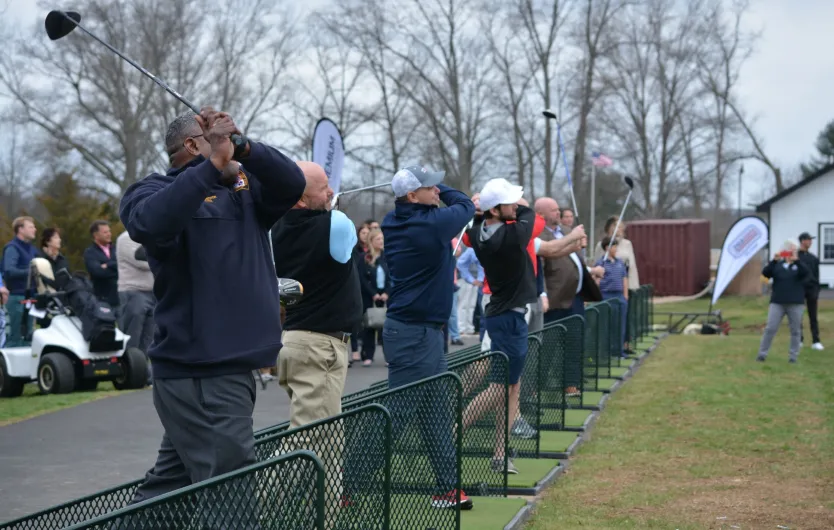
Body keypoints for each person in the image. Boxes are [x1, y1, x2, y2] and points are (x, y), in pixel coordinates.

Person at [119, 107, 305, 508]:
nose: (229, 151)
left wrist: (244, 146)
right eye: (215, 141)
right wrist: (212, 166)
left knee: (169, 495)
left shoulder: (244, 191)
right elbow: (150, 223)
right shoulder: (150, 191)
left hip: (226, 371)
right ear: (191, 145)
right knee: (231, 498)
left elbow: (292, 184)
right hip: (201, 373)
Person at [463, 179, 585, 474]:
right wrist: (504, 207)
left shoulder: (479, 232)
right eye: (510, 203)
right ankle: (455, 432)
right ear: (497, 209)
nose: (516, 206)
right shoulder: (511, 233)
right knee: (501, 387)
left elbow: (471, 233)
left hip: (507, 314)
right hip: (506, 318)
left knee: (510, 387)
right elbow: (533, 216)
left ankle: (501, 454)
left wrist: (480, 211)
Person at [381, 164, 475, 510]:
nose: (437, 191)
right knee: (397, 415)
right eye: (430, 187)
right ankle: (348, 483)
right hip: (412, 333)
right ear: (411, 196)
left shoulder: (400, 219)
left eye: (437, 187)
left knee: (436, 411)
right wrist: (449, 189)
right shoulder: (426, 224)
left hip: (423, 332)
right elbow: (465, 206)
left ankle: (447, 488)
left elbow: (456, 206)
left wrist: (431, 185)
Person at [272, 160, 362, 426]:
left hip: (297, 341)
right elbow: (349, 238)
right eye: (323, 188)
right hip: (318, 346)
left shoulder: (275, 229)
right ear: (300, 199)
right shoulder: (336, 224)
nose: (331, 192)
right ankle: (264, 472)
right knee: (310, 436)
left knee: (329, 438)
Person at [534, 197, 603, 396]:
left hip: (576, 298)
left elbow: (576, 262)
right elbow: (540, 270)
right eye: (554, 210)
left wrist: (589, 274)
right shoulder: (540, 236)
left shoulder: (565, 232)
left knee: (574, 343)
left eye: (558, 209)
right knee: (547, 347)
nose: (558, 213)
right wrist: (543, 295)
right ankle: (536, 389)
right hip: (555, 301)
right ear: (541, 214)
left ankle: (571, 384)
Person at [757, 240, 809, 363]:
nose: (791, 253)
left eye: (794, 250)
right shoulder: (777, 265)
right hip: (777, 302)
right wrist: (774, 260)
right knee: (770, 328)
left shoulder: (800, 265)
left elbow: (806, 274)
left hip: (796, 303)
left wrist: (797, 260)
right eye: (789, 250)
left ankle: (793, 356)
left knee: (796, 330)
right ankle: (762, 354)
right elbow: (765, 274)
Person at [116, 230, 156, 385]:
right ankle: (129, 375)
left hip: (151, 292)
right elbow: (142, 261)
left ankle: (144, 375)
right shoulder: (126, 238)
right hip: (133, 292)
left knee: (148, 338)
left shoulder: (148, 237)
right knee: (133, 337)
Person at [2, 216, 38, 347]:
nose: (35, 229)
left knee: (29, 337)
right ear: (20, 229)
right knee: (15, 338)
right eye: (31, 227)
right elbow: (9, 271)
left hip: (30, 298)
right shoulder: (12, 248)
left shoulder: (32, 249)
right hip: (17, 297)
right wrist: (31, 271)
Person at [358, 228, 391, 365]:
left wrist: (387, 293)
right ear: (371, 241)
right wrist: (373, 294)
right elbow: (362, 278)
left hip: (385, 296)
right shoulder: (365, 258)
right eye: (378, 239)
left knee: (386, 328)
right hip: (370, 296)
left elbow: (392, 276)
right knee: (369, 326)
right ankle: (368, 356)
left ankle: (389, 357)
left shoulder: (387, 256)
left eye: (382, 239)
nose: (381, 242)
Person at [595, 237, 629, 357]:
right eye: (614, 246)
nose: (616, 249)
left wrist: (625, 296)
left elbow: (624, 278)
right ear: (607, 248)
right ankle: (605, 351)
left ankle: (619, 350)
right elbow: (597, 281)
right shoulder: (601, 263)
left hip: (619, 296)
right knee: (606, 325)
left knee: (620, 325)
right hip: (606, 296)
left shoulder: (620, 262)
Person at [595, 215, 639, 288]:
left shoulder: (627, 244)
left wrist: (633, 286)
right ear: (610, 228)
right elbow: (597, 265)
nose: (620, 229)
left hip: (625, 284)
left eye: (621, 226)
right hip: (607, 286)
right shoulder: (601, 245)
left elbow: (632, 267)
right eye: (616, 226)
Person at [83, 220, 119, 310]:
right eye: (105, 232)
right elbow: (97, 272)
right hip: (103, 300)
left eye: (109, 231)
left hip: (121, 297)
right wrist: (116, 267)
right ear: (96, 235)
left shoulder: (117, 248)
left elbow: (125, 267)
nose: (109, 234)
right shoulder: (90, 253)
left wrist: (108, 265)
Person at [797, 232, 823, 351]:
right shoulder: (796, 257)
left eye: (811, 240)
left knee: (813, 315)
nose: (810, 242)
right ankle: (799, 340)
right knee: (797, 315)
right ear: (802, 241)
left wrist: (817, 289)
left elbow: (816, 276)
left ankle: (816, 341)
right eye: (808, 240)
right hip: (799, 288)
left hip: (812, 289)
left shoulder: (813, 258)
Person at [456, 246, 483, 336]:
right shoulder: (471, 250)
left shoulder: (476, 249)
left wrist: (479, 279)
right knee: (463, 305)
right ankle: (461, 327)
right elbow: (460, 264)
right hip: (465, 280)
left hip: (475, 280)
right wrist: (471, 279)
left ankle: (469, 328)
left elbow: (480, 266)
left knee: (471, 305)